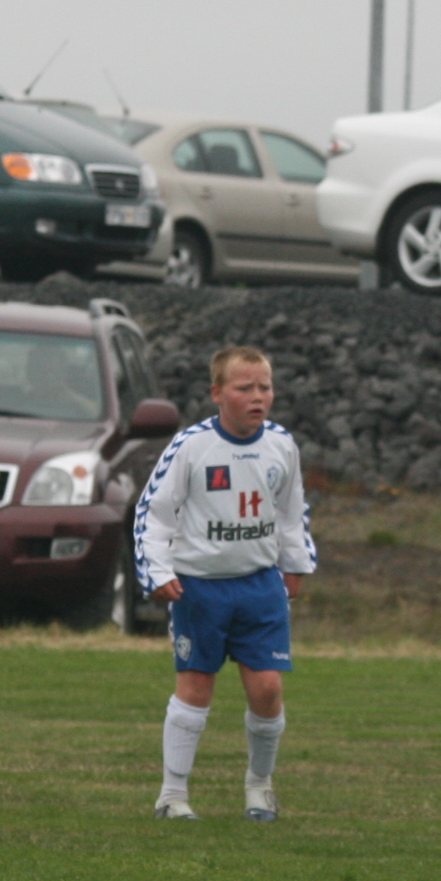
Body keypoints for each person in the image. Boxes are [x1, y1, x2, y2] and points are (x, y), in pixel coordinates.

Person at [133, 345, 314, 822]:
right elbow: (153, 513)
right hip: (200, 587)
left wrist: (296, 563)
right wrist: (157, 571)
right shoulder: (191, 446)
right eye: (244, 388)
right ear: (217, 393)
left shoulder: (281, 444)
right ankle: (172, 796)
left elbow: (292, 512)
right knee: (196, 686)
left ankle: (259, 788)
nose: (258, 397)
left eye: (265, 387)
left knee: (267, 689)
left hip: (260, 586)